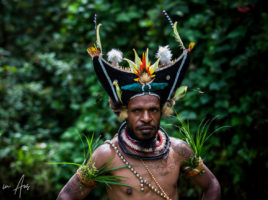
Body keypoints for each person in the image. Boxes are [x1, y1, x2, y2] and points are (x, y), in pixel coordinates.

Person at [57, 13, 221, 200]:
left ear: (163, 111)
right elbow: (66, 197)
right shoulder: (106, 155)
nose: (146, 118)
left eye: (153, 110)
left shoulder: (179, 150)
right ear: (125, 112)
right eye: (137, 111)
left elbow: (212, 186)